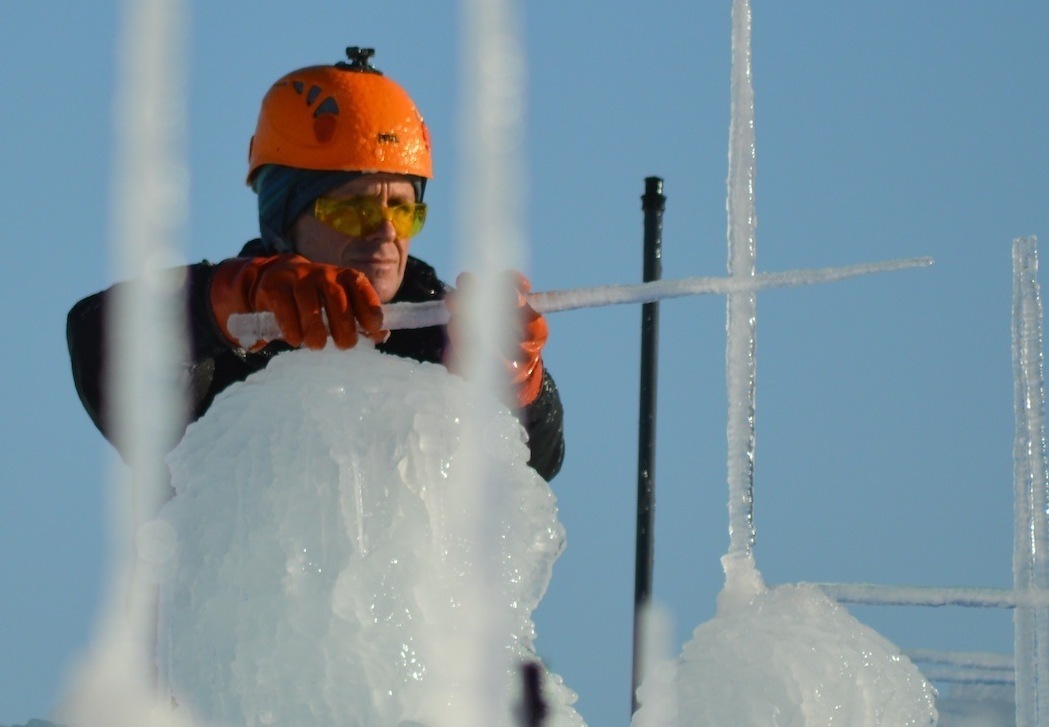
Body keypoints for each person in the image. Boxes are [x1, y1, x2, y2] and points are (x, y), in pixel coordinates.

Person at [67, 46, 565, 481]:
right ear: (283, 217)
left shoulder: (442, 337)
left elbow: (532, 470)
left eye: (403, 208)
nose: (386, 231)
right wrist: (230, 299)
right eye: (353, 208)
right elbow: (101, 346)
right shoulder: (223, 344)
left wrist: (515, 382)